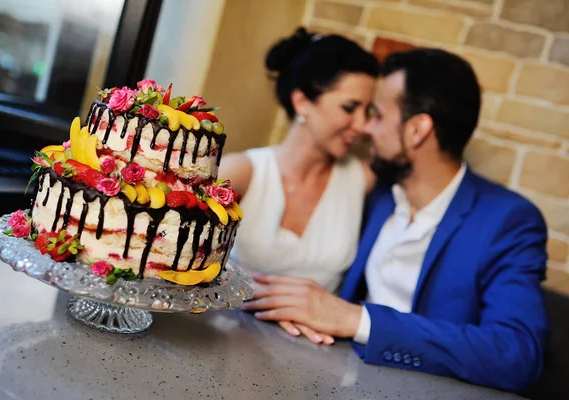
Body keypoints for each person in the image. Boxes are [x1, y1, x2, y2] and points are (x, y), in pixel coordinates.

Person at [242, 48, 549, 393]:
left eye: (378, 115)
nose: (366, 128)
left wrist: (355, 320)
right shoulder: (378, 193)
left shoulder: (507, 220)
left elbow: (518, 355)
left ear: (417, 130)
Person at [220, 28, 379, 344]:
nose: (362, 125)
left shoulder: (364, 180)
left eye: (368, 111)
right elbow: (176, 250)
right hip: (223, 335)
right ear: (302, 101)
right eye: (350, 108)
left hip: (318, 351)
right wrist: (259, 291)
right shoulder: (241, 173)